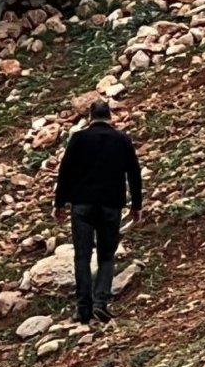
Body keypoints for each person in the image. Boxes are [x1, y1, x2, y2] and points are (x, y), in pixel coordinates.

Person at [54, 100, 143, 324]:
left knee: (82, 256)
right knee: (106, 255)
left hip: (82, 205)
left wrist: (59, 203)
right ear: (109, 116)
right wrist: (136, 205)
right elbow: (134, 172)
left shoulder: (79, 138)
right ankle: (100, 303)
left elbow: (65, 171)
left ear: (91, 117)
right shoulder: (122, 140)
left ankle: (82, 308)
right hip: (111, 205)